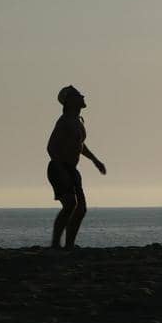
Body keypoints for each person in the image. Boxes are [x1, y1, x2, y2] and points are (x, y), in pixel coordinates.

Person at [46, 85, 106, 249]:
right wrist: (60, 167)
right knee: (70, 205)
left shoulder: (77, 121)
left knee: (81, 208)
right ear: (70, 101)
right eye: (78, 95)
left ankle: (69, 245)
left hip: (71, 169)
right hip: (59, 168)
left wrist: (95, 160)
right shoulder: (64, 121)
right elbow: (51, 147)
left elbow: (80, 145)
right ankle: (55, 244)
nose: (82, 97)